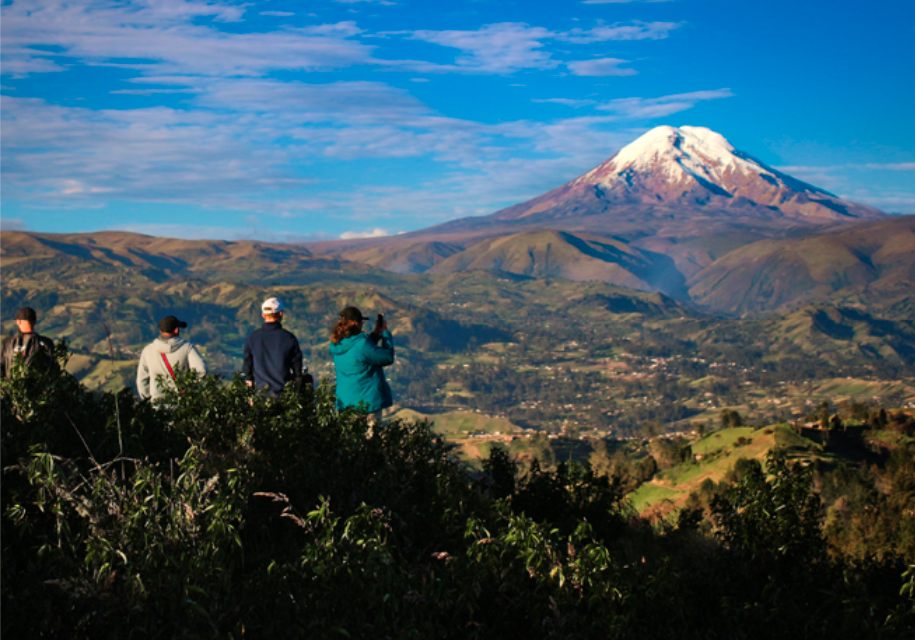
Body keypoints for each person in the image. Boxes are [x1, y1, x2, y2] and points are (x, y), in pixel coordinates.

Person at [329, 306, 395, 424]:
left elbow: (360, 354)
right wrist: (385, 334)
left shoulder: (337, 344)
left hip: (345, 402)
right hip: (366, 404)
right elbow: (387, 357)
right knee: (369, 440)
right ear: (358, 323)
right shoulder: (362, 344)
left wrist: (375, 335)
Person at [136, 315, 207, 401]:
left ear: (160, 330)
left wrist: (148, 400)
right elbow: (201, 371)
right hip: (182, 404)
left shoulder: (148, 350)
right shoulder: (187, 348)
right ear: (176, 329)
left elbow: (142, 380)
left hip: (157, 404)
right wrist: (190, 392)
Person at [243, 297, 303, 396]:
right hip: (284, 395)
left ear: (263, 315)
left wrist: (251, 397)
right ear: (281, 314)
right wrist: (296, 393)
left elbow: (247, 369)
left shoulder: (252, 338)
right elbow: (297, 370)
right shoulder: (289, 338)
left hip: (260, 395)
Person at [1, 307, 56, 379]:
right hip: (38, 388)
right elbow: (52, 370)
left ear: (18, 321)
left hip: (12, 388)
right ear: (35, 321)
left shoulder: (6, 343)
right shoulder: (47, 343)